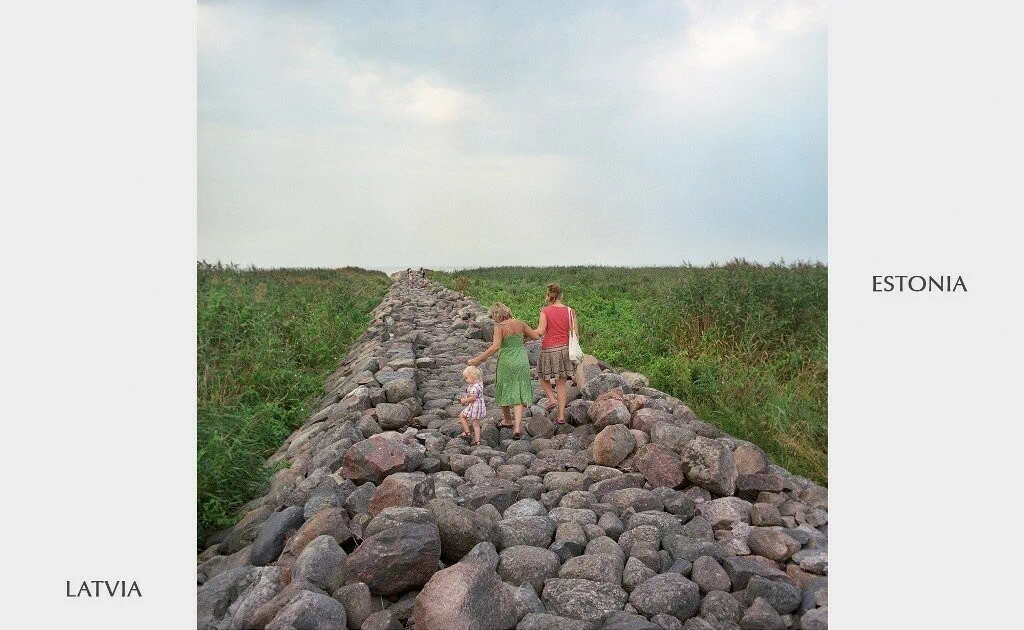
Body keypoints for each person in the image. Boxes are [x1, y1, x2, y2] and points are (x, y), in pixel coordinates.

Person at [468, 303, 538, 438]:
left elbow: (495, 347)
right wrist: (522, 340)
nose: (493, 319)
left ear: (497, 315)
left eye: (493, 316)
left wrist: (478, 359)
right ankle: (517, 427)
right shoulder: (520, 323)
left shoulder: (499, 327)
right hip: (521, 360)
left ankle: (507, 420)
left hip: (506, 361)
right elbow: (535, 336)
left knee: (504, 387)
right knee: (519, 391)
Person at [533, 282, 577, 424]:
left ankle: (551, 399)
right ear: (561, 295)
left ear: (548, 295)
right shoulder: (570, 311)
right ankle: (561, 416)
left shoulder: (545, 311)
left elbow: (540, 332)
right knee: (561, 384)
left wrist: (526, 333)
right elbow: (575, 333)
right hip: (564, 349)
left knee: (542, 376)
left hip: (549, 350)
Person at [458, 365, 486, 445]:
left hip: (474, 407)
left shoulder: (473, 388)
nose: (466, 380)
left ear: (473, 377)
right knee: (476, 424)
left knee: (462, 416)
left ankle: (467, 431)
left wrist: (464, 400)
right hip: (479, 406)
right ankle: (477, 441)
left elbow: (473, 398)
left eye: (467, 378)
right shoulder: (480, 383)